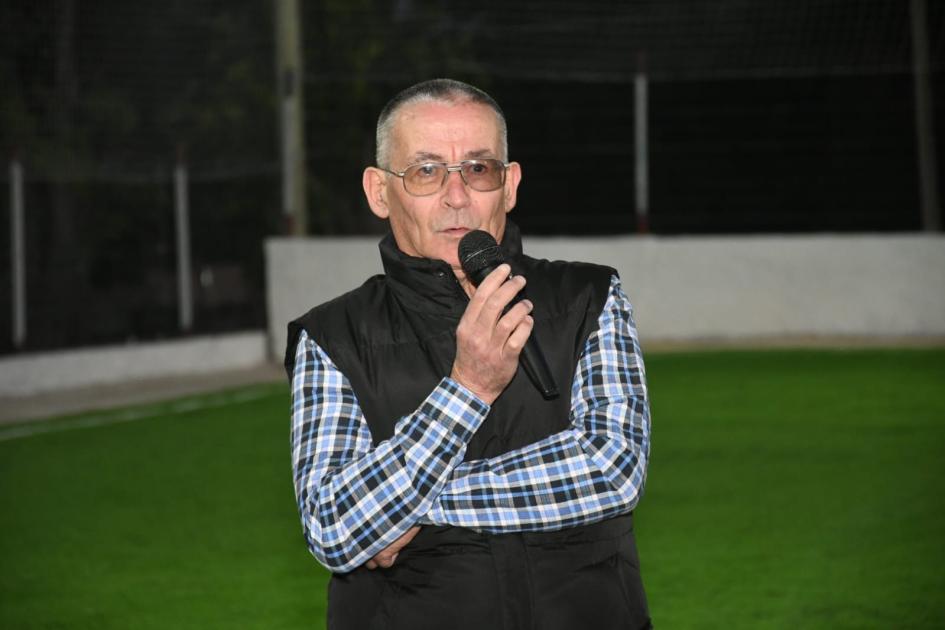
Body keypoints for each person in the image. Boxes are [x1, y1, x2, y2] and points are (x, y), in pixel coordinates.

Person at [286, 78, 652, 630]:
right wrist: (468, 388)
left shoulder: (589, 298)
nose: (457, 197)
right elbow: (334, 529)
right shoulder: (331, 335)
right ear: (379, 191)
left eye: (478, 170)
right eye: (426, 171)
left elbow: (612, 468)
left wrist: (408, 507)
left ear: (510, 185)